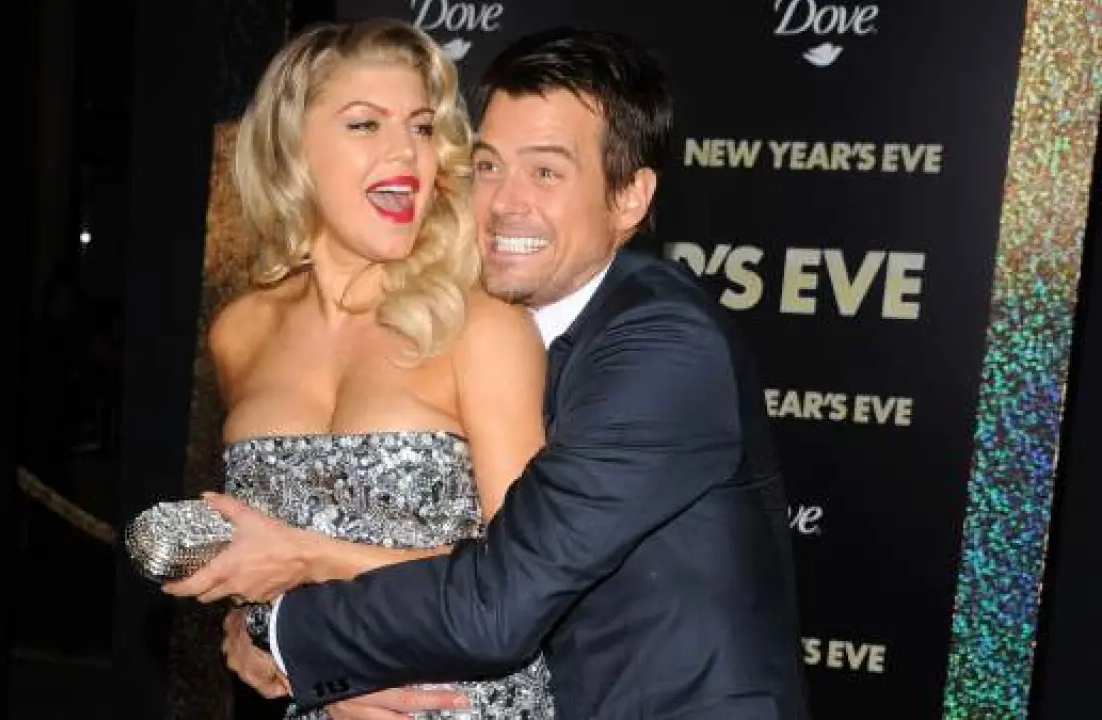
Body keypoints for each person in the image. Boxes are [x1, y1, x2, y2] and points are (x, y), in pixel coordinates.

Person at [182, 26, 811, 720]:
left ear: (629, 198)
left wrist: (291, 635)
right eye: (488, 166)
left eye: (546, 172)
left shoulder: (662, 345)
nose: (506, 201)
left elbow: (502, 596)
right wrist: (271, 642)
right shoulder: (246, 330)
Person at [161, 17, 556, 720]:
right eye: (366, 124)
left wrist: (307, 559)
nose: (406, 152)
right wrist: (257, 635)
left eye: (423, 127)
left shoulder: (480, 326)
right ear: (293, 149)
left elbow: (523, 582)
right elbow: (261, 572)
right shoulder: (240, 332)